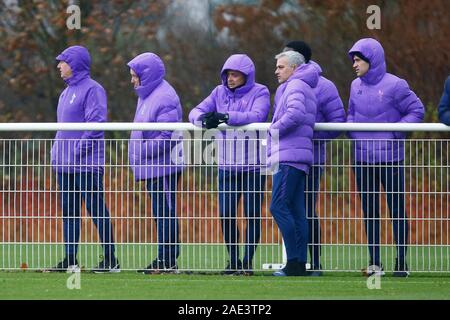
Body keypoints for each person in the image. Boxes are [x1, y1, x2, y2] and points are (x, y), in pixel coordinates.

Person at [347, 38, 424, 277]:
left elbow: (416, 111)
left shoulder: (396, 85)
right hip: (362, 159)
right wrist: (353, 133)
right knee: (370, 212)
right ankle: (375, 263)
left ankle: (401, 262)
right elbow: (350, 114)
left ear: (372, 60)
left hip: (391, 159)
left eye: (358, 60)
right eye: (353, 60)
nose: (354, 65)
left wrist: (394, 132)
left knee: (396, 210)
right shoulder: (354, 85)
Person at [189, 54, 270, 275]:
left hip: (253, 165)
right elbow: (194, 112)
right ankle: (233, 260)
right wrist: (203, 120)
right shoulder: (218, 92)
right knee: (226, 214)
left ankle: (247, 263)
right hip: (226, 165)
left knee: (252, 214)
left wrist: (225, 117)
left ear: (247, 76)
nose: (230, 79)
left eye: (235, 75)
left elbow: (258, 115)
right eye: (228, 74)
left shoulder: (260, 91)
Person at [50, 45, 119, 273]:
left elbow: (95, 127)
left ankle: (110, 259)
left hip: (86, 165)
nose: (59, 66)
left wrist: (76, 152)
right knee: (69, 212)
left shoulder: (94, 90)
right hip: (64, 166)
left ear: (75, 64)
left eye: (63, 62)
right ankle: (70, 259)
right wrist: (57, 153)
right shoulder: (64, 92)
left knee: (96, 210)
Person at [284, 41, 346, 276]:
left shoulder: (325, 86)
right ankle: (295, 262)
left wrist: (308, 136)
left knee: (307, 209)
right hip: (288, 158)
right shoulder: (285, 83)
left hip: (312, 158)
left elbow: (337, 122)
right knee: (289, 208)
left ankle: (316, 262)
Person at [127, 52, 184, 274]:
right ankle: (163, 258)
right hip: (153, 167)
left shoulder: (164, 96)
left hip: (164, 167)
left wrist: (141, 151)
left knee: (165, 212)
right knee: (160, 213)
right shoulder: (147, 94)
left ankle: (168, 260)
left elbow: (167, 136)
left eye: (134, 75)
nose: (132, 80)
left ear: (146, 75)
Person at [268, 50, 319, 276]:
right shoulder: (304, 86)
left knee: (278, 206)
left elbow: (296, 114)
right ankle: (298, 265)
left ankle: (293, 263)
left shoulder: (295, 86)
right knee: (297, 211)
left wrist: (273, 129)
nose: (276, 71)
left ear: (295, 68)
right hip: (297, 156)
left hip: (289, 156)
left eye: (281, 67)